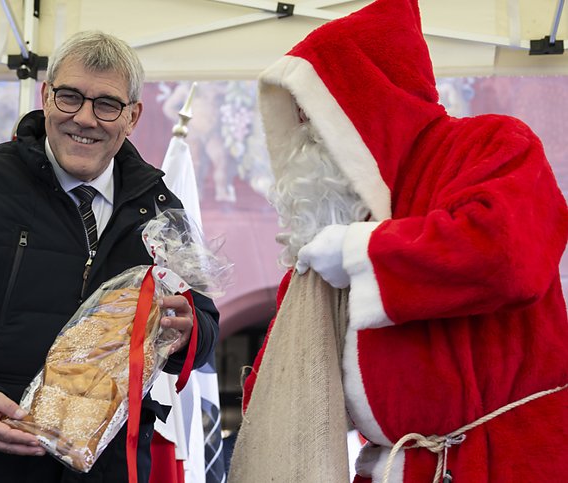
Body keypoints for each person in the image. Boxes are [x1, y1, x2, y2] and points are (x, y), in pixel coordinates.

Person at [240, 0, 568, 481]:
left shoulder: (491, 145)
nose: (306, 133)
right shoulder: (339, 221)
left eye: (317, 112)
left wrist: (363, 254)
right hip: (390, 468)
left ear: (367, 107)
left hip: (503, 462)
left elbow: (503, 255)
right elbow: (282, 386)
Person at [0, 30, 219, 483]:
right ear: (45, 96)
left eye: (107, 104)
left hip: (107, 467)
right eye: (70, 97)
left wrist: (188, 332)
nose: (85, 118)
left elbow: (204, 328)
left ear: (133, 116)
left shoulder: (159, 210)